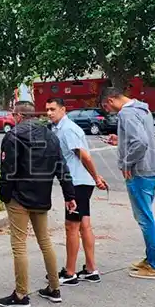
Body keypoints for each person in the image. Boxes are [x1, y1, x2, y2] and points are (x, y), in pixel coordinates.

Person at [0, 101, 76, 307]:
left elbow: (7, 170)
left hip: (19, 197)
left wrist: (4, 195)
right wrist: (69, 194)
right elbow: (61, 166)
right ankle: (54, 288)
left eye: (14, 115)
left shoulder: (13, 136)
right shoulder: (50, 135)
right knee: (45, 241)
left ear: (19, 116)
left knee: (19, 245)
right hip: (42, 195)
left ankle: (21, 294)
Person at [101, 88, 155, 280]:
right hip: (151, 168)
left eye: (106, 106)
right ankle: (150, 258)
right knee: (146, 216)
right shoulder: (142, 109)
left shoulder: (126, 114)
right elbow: (141, 138)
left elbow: (141, 142)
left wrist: (127, 161)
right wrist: (120, 141)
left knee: (145, 218)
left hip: (139, 172)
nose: (108, 110)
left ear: (111, 100)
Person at [46, 98, 108, 285]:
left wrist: (96, 177)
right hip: (80, 181)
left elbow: (85, 156)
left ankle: (70, 272)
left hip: (77, 183)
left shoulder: (68, 129)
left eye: (53, 109)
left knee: (71, 227)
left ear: (63, 109)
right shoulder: (59, 128)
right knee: (84, 225)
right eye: (47, 109)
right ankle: (91, 269)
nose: (49, 113)